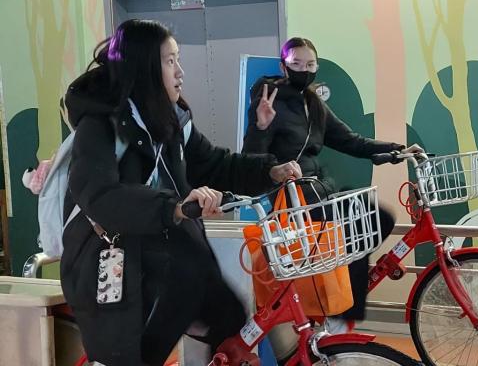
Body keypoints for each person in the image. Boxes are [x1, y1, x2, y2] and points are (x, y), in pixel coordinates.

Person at [60, 19, 301, 366]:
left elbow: (214, 164)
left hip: (169, 259)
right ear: (144, 66)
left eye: (178, 59)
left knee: (228, 317)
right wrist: (173, 207)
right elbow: (100, 196)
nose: (180, 72)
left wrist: (268, 171)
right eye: (170, 61)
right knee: (138, 353)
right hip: (112, 265)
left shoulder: (171, 119)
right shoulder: (100, 125)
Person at [242, 37, 422, 333]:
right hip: (292, 201)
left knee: (376, 218)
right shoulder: (268, 102)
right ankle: (337, 316)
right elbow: (250, 159)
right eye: (296, 64)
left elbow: (351, 141)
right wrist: (260, 126)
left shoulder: (313, 104)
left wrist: (397, 150)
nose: (304, 70)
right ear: (283, 66)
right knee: (353, 227)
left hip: (320, 192)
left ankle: (340, 306)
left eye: (310, 64)